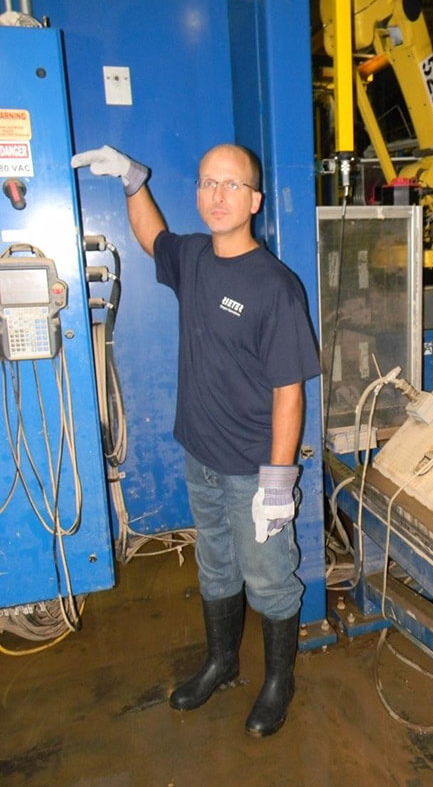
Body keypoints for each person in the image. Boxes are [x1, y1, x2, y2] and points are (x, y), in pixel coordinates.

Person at [71, 143, 321, 738]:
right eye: (208, 182)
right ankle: (222, 661)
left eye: (231, 185)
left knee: (269, 578)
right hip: (200, 457)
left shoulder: (277, 287)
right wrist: (134, 181)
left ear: (254, 201)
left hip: (252, 471)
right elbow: (152, 235)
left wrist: (278, 484)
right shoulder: (194, 258)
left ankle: (279, 681)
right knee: (214, 568)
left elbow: (291, 394)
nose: (216, 195)